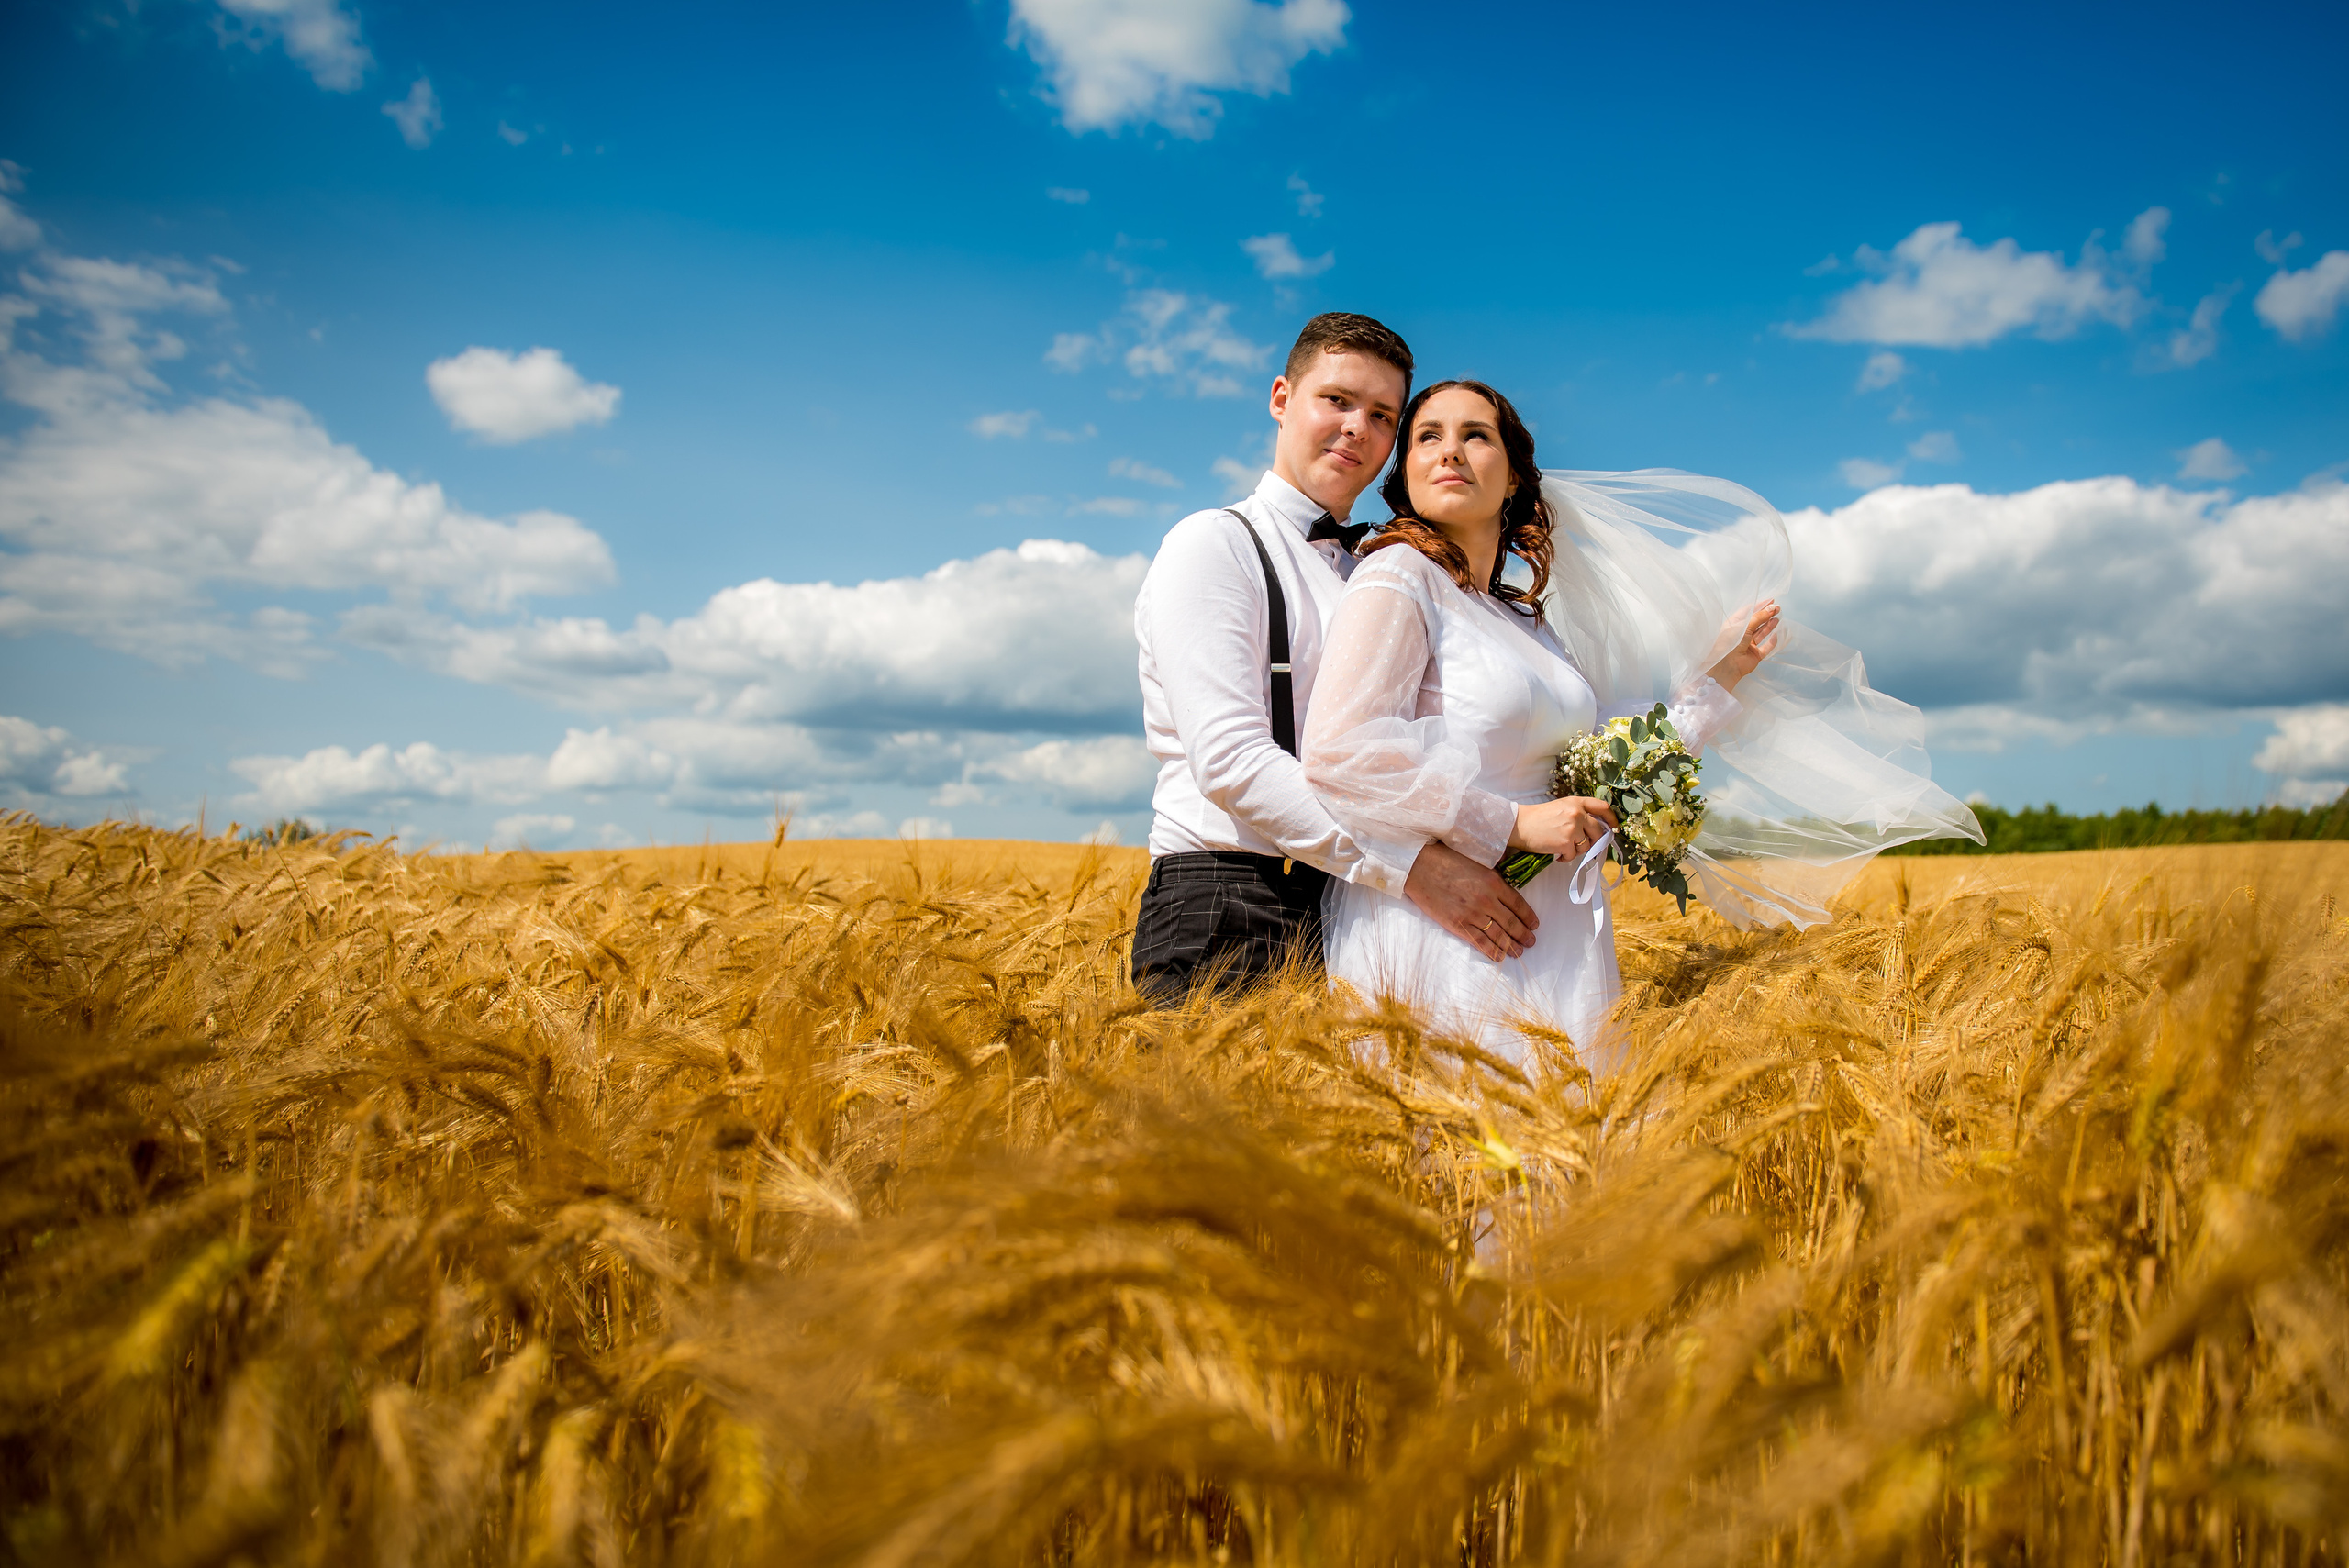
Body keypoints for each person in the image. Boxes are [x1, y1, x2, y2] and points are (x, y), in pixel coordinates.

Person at [1302, 380, 1981, 1064]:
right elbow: (1341, 752)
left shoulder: (1525, 621)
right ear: (1407, 475)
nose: (1450, 450)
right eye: (1428, 436)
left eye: (1476, 434)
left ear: (1513, 479)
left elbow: (1608, 763)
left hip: (1554, 921)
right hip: (1447, 922)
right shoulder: (1397, 576)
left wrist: (1724, 675)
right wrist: (1512, 825)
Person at [1129, 318, 1542, 1006]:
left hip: (1355, 908)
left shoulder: (1387, 571)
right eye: (1338, 400)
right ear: (1282, 398)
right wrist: (1415, 868)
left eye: (1382, 415)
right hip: (1230, 901)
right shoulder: (1214, 545)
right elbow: (1231, 758)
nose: (1358, 428)